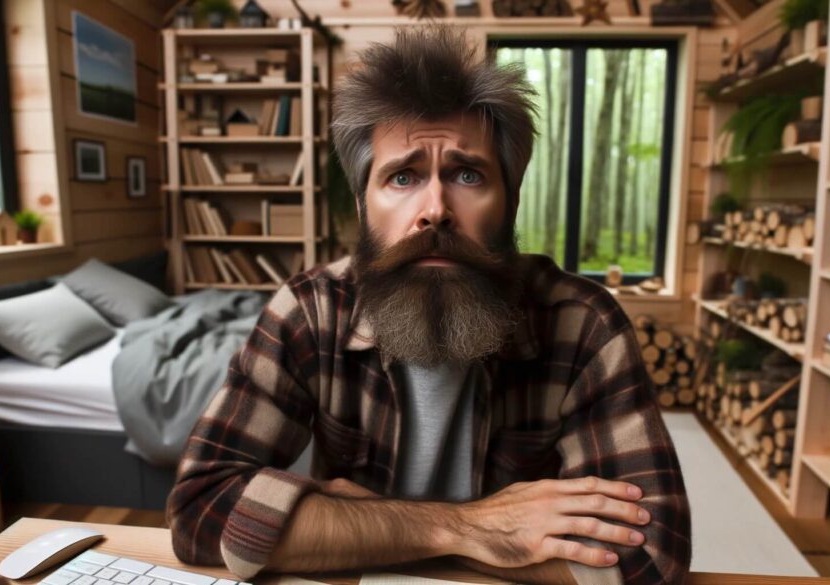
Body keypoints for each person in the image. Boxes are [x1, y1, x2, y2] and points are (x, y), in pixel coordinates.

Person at [167, 25, 691, 585]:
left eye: (468, 174)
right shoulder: (309, 310)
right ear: (363, 205)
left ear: (510, 202)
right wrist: (465, 528)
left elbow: (650, 556)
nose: (435, 210)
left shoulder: (583, 322)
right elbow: (199, 515)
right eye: (403, 176)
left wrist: (350, 525)